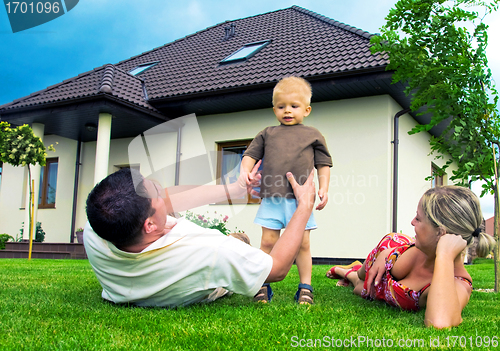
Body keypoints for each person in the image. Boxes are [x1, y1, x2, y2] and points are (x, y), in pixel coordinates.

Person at [84, 164, 317, 308]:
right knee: (235, 247)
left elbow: (166, 199)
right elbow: (275, 269)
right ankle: (239, 240)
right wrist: (304, 205)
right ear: (150, 226)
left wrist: (234, 190)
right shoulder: (206, 249)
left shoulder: (96, 227)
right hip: (214, 281)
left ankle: (238, 239)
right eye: (154, 190)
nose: (160, 187)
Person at [326, 185, 496, 328]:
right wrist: (386, 254)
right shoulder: (422, 247)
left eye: (418, 218)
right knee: (362, 277)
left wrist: (444, 255)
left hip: (387, 280)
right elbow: (402, 249)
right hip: (388, 251)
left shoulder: (459, 283)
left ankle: (345, 272)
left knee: (360, 288)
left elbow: (439, 323)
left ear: (441, 233)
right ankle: (350, 270)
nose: (412, 223)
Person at [241, 76, 333, 305]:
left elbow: (323, 164)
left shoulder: (313, 134)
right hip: (272, 198)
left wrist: (324, 188)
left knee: (303, 243)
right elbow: (250, 156)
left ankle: (305, 287)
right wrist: (246, 171)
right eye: (281, 107)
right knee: (268, 242)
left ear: (307, 109)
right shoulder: (267, 133)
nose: (287, 111)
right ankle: (262, 285)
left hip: (300, 201)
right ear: (274, 109)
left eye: (294, 106)